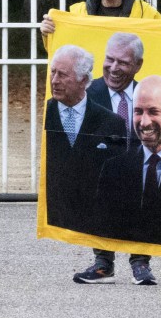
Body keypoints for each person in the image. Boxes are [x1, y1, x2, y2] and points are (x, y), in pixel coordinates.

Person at [41, 0, 161, 285]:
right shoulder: (77, 14)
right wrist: (48, 32)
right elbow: (61, 55)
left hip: (135, 119)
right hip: (98, 116)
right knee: (98, 185)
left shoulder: (146, 14)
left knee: (145, 187)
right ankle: (102, 262)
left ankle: (141, 261)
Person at [78, 32, 153, 284]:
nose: (113, 67)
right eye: (109, 59)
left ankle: (141, 263)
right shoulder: (86, 93)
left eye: (122, 62)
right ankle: (103, 264)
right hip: (99, 174)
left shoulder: (149, 96)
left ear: (138, 65)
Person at [94, 75, 161, 251]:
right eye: (138, 111)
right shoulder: (113, 169)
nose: (144, 123)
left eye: (153, 111)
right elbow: (104, 225)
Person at [44, 45, 127, 234]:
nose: (54, 81)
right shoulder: (43, 115)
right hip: (54, 219)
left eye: (63, 75)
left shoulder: (112, 123)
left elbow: (119, 181)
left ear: (83, 80)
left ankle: (104, 261)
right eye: (53, 72)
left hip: (96, 220)